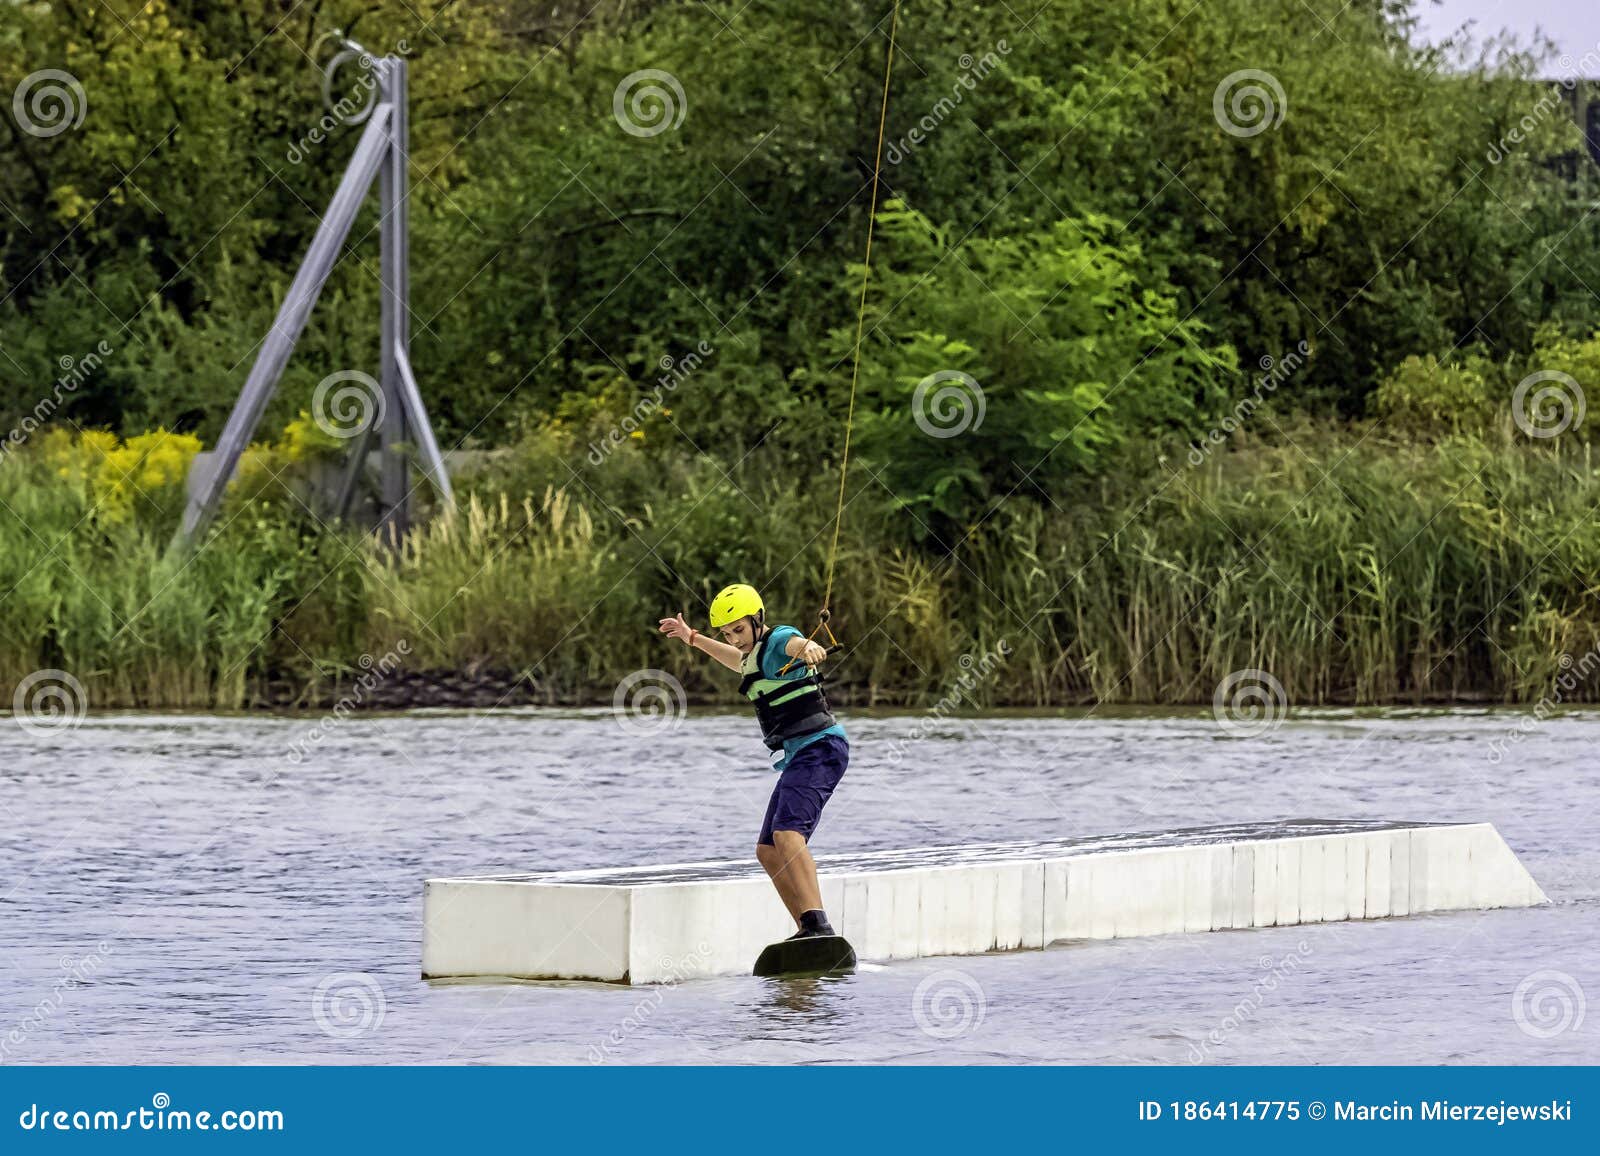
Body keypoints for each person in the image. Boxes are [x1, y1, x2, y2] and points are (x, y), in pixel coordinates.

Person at [658, 583, 848, 940]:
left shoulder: (778, 641)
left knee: (788, 833)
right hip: (800, 754)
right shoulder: (753, 657)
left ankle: (819, 927)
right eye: (728, 634)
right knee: (767, 849)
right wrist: (692, 638)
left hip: (821, 747)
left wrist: (809, 647)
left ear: (758, 619)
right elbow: (737, 662)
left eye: (739, 630)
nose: (734, 639)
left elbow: (796, 642)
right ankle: (806, 929)